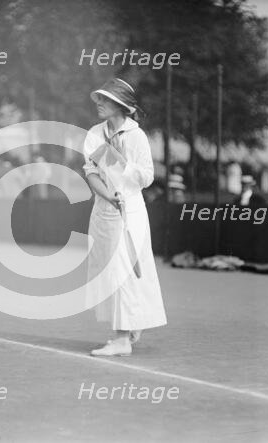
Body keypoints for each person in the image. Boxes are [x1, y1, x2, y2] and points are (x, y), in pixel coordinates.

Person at [83, 78, 167, 357]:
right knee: (109, 272)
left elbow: (146, 177)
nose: (99, 104)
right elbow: (92, 173)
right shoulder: (95, 133)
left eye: (105, 100)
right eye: (99, 99)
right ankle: (129, 327)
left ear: (120, 105)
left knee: (125, 271)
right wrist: (108, 196)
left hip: (130, 211)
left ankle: (121, 339)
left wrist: (118, 161)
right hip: (103, 211)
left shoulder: (136, 136)